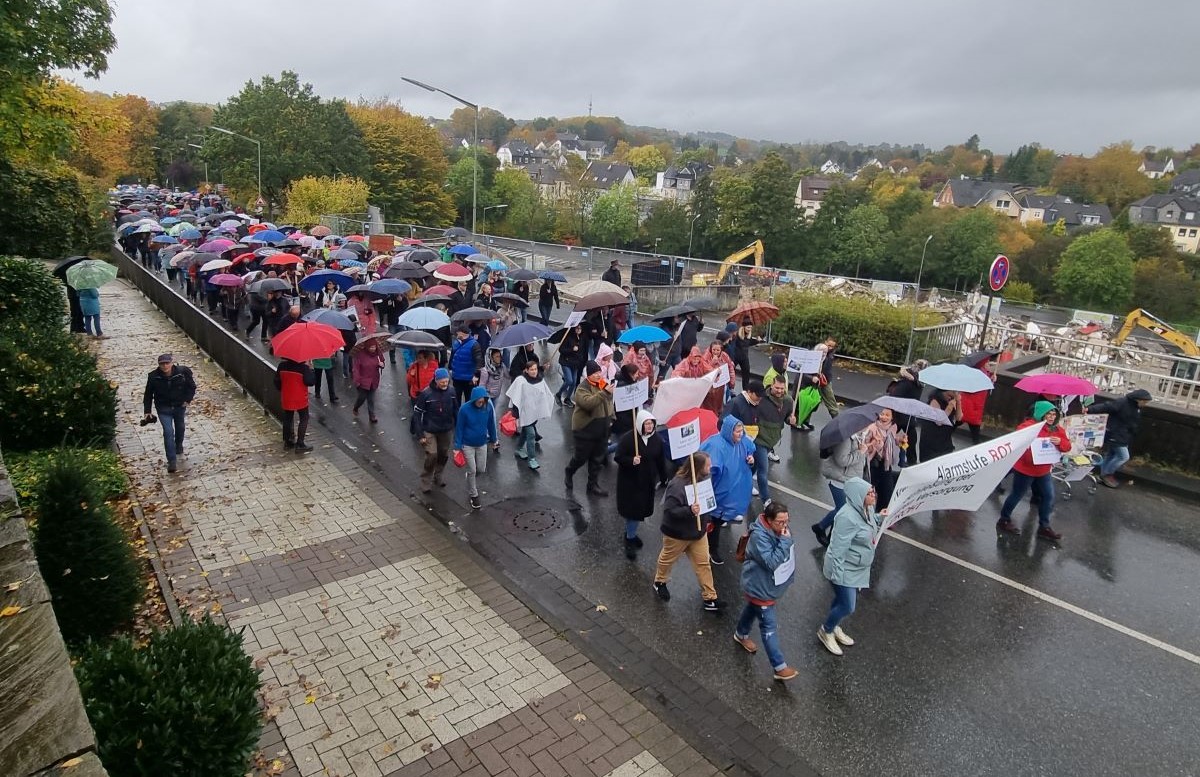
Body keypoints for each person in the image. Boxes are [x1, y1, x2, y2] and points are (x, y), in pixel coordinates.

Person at [733, 501, 799, 681]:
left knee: (752, 609)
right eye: (780, 522)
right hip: (760, 587)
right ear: (768, 520)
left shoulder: (778, 530)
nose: (785, 526)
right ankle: (779, 666)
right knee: (768, 625)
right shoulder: (759, 537)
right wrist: (785, 542)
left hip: (763, 586)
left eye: (787, 521)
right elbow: (770, 562)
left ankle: (740, 634)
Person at [652, 452, 724, 613]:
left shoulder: (704, 480)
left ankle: (710, 597)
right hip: (677, 534)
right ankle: (660, 582)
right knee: (667, 560)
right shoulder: (677, 485)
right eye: (707, 465)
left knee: (703, 564)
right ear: (698, 467)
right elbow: (671, 511)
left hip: (698, 533)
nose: (710, 467)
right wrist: (690, 510)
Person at [818, 478, 881, 656]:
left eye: (873, 491)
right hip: (843, 569)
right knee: (848, 605)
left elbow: (869, 523)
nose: (873, 495)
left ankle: (834, 625)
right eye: (869, 493)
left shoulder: (867, 509)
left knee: (841, 601)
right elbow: (838, 549)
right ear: (858, 495)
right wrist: (837, 577)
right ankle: (826, 630)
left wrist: (879, 517)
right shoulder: (846, 517)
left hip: (856, 567)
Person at [996, 401, 1071, 540]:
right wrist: (1032, 449)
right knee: (1017, 494)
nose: (1051, 417)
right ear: (1040, 414)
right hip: (1025, 469)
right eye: (1048, 414)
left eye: (1054, 414)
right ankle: (1004, 519)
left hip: (1043, 470)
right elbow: (1018, 444)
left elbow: (1067, 447)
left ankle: (1044, 527)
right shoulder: (1027, 427)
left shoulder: (1057, 430)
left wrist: (1060, 443)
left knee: (1048, 496)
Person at [699, 415, 756, 565]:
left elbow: (749, 454)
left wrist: (751, 460)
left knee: (718, 520)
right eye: (737, 431)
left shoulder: (742, 442)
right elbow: (707, 473)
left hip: (732, 492)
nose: (740, 434)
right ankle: (711, 549)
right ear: (728, 431)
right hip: (719, 493)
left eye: (741, 431)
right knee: (714, 522)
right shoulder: (716, 446)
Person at [615, 409, 667, 559]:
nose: (649, 427)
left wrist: (664, 478)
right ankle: (629, 539)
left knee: (638, 512)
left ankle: (630, 533)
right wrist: (631, 461)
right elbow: (618, 457)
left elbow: (660, 460)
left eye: (651, 423)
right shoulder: (629, 439)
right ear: (640, 424)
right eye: (646, 424)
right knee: (633, 512)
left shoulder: (656, 439)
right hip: (631, 483)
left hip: (647, 482)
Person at [565, 360, 615, 496]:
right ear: (588, 375)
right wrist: (604, 393)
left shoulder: (603, 385)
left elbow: (610, 403)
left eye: (599, 372)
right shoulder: (582, 388)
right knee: (581, 458)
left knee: (597, 459)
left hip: (601, 429)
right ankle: (569, 471)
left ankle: (592, 485)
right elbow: (588, 403)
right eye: (594, 373)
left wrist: (612, 418)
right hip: (585, 430)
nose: (598, 375)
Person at [811, 432, 868, 547]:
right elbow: (842, 460)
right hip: (839, 479)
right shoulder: (846, 439)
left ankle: (831, 535)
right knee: (843, 510)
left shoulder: (858, 437)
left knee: (843, 509)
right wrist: (860, 452)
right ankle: (821, 527)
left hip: (849, 479)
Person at [142, 353, 197, 473]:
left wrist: (187, 400)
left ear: (172, 363)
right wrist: (147, 411)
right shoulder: (153, 377)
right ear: (159, 365)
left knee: (180, 427)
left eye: (167, 363)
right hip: (163, 408)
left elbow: (191, 386)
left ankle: (178, 446)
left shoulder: (182, 372)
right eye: (162, 364)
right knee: (168, 432)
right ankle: (171, 461)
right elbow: (148, 394)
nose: (165, 366)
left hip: (179, 406)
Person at [1086, 389, 1152, 488]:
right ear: (1139, 400)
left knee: (1111, 455)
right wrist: (1089, 409)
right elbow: (1106, 406)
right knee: (1123, 456)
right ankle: (1107, 474)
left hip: (1122, 435)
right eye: (1145, 402)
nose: (1145, 404)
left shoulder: (1135, 407)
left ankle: (1103, 475)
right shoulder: (1122, 403)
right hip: (1115, 434)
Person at [723, 380, 770, 506]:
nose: (760, 398)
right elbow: (722, 423)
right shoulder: (735, 403)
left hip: (750, 442)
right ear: (749, 392)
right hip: (736, 444)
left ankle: (746, 486)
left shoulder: (756, 403)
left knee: (749, 467)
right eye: (758, 395)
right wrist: (735, 437)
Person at [414, 368, 459, 493]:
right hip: (430, 429)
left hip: (446, 429)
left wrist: (459, 426)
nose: (445, 384)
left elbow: (456, 410)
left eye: (446, 381)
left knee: (443, 453)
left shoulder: (452, 391)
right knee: (432, 454)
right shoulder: (426, 394)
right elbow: (417, 415)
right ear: (436, 380)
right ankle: (425, 480)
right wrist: (420, 435)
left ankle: (438, 475)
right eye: (442, 382)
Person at [505, 358, 555, 470]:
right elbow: (515, 396)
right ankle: (532, 459)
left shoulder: (540, 380)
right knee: (531, 434)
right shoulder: (520, 380)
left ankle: (518, 449)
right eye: (531, 369)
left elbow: (545, 393)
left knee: (525, 432)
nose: (534, 371)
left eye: (535, 369)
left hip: (534, 413)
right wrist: (515, 413)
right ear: (526, 370)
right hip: (524, 413)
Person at [453, 386, 497, 510]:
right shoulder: (464, 409)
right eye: (478, 401)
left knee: (481, 469)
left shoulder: (488, 407)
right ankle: (474, 494)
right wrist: (457, 446)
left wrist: (494, 440)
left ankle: (470, 476)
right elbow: (459, 428)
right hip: (467, 444)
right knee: (472, 469)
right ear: (473, 399)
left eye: (482, 401)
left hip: (482, 443)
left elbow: (491, 425)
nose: (480, 403)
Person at [862, 408, 907, 509]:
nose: (884, 417)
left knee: (887, 494)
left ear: (892, 417)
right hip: (873, 464)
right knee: (868, 494)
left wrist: (900, 440)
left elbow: (893, 442)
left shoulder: (893, 428)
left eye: (887, 415)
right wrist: (874, 444)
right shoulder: (872, 428)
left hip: (886, 466)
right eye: (882, 414)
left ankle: (881, 518)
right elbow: (863, 445)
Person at [275, 357, 316, 453]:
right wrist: (312, 369)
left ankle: (288, 442)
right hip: (300, 397)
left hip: (287, 396)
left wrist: (283, 388)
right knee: (304, 418)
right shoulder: (303, 368)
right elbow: (310, 382)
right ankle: (300, 444)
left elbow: (277, 381)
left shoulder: (282, 366)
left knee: (288, 418)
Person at [758, 375, 794, 467]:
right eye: (777, 387)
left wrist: (790, 420)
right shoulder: (761, 397)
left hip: (773, 439)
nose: (779, 391)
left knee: (753, 468)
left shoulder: (788, 401)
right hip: (759, 439)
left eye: (782, 388)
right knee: (763, 469)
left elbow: (787, 418)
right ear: (771, 385)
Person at [920, 388, 962, 462]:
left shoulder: (952, 400)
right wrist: (949, 407)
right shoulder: (935, 400)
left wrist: (958, 402)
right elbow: (939, 421)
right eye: (955, 391)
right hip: (932, 438)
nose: (957, 392)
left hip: (945, 438)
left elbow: (959, 418)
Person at [959, 355, 994, 444]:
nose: (988, 364)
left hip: (972, 405)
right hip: (973, 406)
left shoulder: (982, 373)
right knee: (974, 430)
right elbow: (983, 386)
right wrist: (990, 379)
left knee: (959, 422)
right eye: (987, 362)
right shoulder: (980, 374)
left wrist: (991, 377)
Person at [351, 339, 385, 423]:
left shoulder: (378, 353)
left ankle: (372, 415)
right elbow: (356, 369)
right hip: (363, 381)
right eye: (371, 347)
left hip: (374, 380)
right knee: (362, 397)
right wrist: (357, 381)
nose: (373, 349)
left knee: (371, 399)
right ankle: (356, 407)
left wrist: (382, 365)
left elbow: (382, 362)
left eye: (374, 347)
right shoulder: (360, 355)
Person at [450, 326, 483, 404]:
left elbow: (479, 361)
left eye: (458, 332)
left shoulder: (474, 345)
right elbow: (452, 356)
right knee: (456, 400)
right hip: (457, 378)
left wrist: (476, 375)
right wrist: (450, 369)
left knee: (469, 400)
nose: (456, 334)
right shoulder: (457, 343)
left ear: (462, 333)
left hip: (469, 379)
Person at [557, 324, 588, 407]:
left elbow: (584, 351)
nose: (578, 330)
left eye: (580, 328)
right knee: (569, 381)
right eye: (577, 328)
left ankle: (568, 398)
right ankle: (558, 394)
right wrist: (572, 349)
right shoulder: (568, 337)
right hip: (566, 362)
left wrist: (583, 362)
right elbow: (561, 349)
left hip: (576, 364)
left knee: (574, 383)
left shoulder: (582, 338)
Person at [702, 338, 736, 414]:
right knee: (709, 403)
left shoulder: (725, 356)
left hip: (722, 384)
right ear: (711, 349)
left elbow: (730, 368)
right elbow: (703, 370)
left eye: (718, 350)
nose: (715, 352)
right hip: (710, 386)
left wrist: (732, 383)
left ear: (721, 350)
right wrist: (712, 363)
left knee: (721, 402)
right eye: (714, 350)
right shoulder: (706, 356)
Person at [813, 337, 840, 419]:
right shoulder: (821, 351)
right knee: (811, 401)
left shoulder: (830, 354)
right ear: (825, 342)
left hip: (825, 380)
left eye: (832, 346)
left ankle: (836, 418)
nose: (830, 348)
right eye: (829, 345)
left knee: (831, 400)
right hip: (817, 379)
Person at [730, 319, 760, 389]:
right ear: (743, 327)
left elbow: (748, 343)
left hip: (744, 357)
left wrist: (757, 341)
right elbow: (733, 344)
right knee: (731, 372)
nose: (749, 329)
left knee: (746, 374)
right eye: (748, 327)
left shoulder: (748, 335)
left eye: (751, 328)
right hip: (736, 357)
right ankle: (730, 387)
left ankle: (745, 390)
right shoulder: (737, 335)